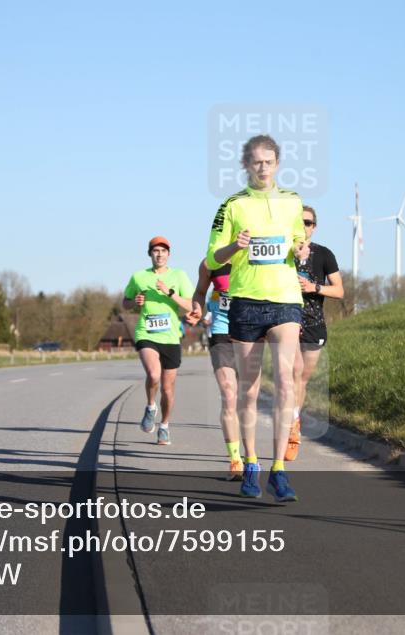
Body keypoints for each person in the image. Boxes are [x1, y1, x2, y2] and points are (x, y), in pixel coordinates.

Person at [205, 134, 308, 502]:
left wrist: (300, 248)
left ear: (277, 163)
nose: (262, 167)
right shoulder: (231, 206)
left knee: (285, 382)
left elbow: (298, 240)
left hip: (285, 300)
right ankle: (251, 463)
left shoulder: (293, 201)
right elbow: (212, 257)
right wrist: (235, 245)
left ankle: (279, 469)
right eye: (256, 162)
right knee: (248, 390)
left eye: (268, 161)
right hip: (246, 302)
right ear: (246, 165)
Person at [122, 236, 194, 446]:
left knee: (168, 389)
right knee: (153, 374)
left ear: (168, 254)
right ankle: (151, 406)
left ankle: (164, 426)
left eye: (163, 251)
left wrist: (170, 293)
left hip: (170, 337)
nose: (159, 254)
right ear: (150, 254)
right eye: (156, 251)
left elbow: (190, 306)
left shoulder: (179, 276)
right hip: (146, 333)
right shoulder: (138, 277)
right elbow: (125, 302)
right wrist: (134, 302)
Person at [287, 205, 344, 461]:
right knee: (291, 375)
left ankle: (293, 422)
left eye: (308, 222)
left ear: (314, 227)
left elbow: (339, 291)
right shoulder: (284, 253)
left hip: (314, 325)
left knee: (301, 379)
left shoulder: (324, 254)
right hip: (287, 322)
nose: (303, 226)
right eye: (299, 222)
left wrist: (315, 287)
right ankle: (290, 425)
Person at [187, 259, 242, 480]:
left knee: (247, 398)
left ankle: (251, 456)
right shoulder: (210, 262)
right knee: (229, 393)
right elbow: (200, 292)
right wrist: (197, 309)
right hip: (221, 332)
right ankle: (235, 459)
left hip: (250, 333)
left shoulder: (253, 254)